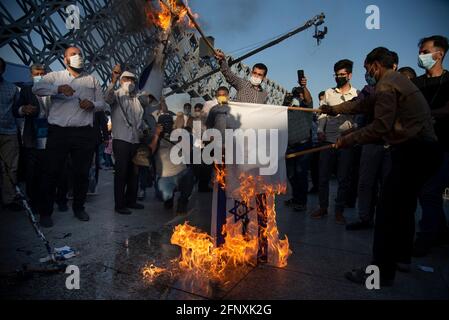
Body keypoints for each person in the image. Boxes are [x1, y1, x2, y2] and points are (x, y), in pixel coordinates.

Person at [321, 47, 442, 286]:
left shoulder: (387, 84)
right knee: (402, 209)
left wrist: (347, 139)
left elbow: (380, 127)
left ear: (375, 65)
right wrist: (333, 109)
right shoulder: (393, 81)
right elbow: (361, 105)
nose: (369, 74)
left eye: (368, 69)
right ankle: (401, 258)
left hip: (413, 151)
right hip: (424, 151)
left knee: (387, 212)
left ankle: (380, 274)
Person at [32, 46, 107, 227]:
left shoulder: (92, 80)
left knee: (81, 174)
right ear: (65, 60)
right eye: (73, 54)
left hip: (83, 133)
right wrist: (58, 89)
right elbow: (37, 87)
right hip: (59, 132)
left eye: (80, 54)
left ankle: (79, 207)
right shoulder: (55, 77)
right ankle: (46, 212)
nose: (78, 57)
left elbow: (102, 103)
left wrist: (92, 105)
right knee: (51, 172)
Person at [412, 35, 449, 256]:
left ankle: (426, 238)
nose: (421, 56)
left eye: (425, 52)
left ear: (439, 54)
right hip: (420, 147)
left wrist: (426, 115)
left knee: (430, 191)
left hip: (443, 146)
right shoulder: (415, 84)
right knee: (426, 193)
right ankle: (442, 232)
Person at [312, 59, 358, 225]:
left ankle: (339, 211)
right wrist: (320, 131)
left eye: (342, 74)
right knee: (323, 177)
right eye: (336, 74)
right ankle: (323, 207)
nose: (339, 77)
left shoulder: (357, 95)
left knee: (343, 178)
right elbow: (322, 114)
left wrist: (352, 132)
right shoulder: (328, 93)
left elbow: (358, 119)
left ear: (350, 75)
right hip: (327, 141)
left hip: (346, 142)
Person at [104, 65, 145, 215]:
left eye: (133, 79)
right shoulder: (116, 94)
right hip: (121, 139)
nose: (130, 81)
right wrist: (112, 81)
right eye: (127, 79)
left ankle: (131, 200)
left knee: (134, 172)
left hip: (135, 140)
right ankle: (119, 205)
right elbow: (106, 98)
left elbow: (139, 119)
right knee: (121, 173)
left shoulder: (136, 99)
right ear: (121, 81)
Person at [12, 64, 50, 212]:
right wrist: (23, 109)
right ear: (31, 76)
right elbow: (15, 110)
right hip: (32, 137)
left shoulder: (52, 90)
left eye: (42, 73)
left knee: (48, 171)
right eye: (36, 73)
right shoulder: (26, 91)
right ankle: (33, 201)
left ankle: (48, 199)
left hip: (50, 136)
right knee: (32, 172)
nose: (39, 75)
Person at [149, 115, 194, 215]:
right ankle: (169, 198)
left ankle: (182, 201)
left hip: (181, 172)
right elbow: (149, 151)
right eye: (163, 123)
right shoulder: (153, 137)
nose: (167, 125)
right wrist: (157, 135)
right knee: (164, 196)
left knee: (189, 174)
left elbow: (190, 150)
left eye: (169, 123)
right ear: (158, 125)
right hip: (165, 175)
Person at [283, 73, 313, 212]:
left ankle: (302, 202)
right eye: (295, 94)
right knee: (291, 175)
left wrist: (304, 87)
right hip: (290, 146)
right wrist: (286, 102)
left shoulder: (307, 108)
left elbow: (308, 98)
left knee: (301, 174)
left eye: (299, 94)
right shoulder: (288, 110)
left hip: (303, 145)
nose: (297, 96)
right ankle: (296, 198)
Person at [0, 57, 21, 211]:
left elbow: (16, 110)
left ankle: (9, 199)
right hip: (8, 131)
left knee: (11, 167)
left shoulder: (12, 88)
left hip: (9, 132)